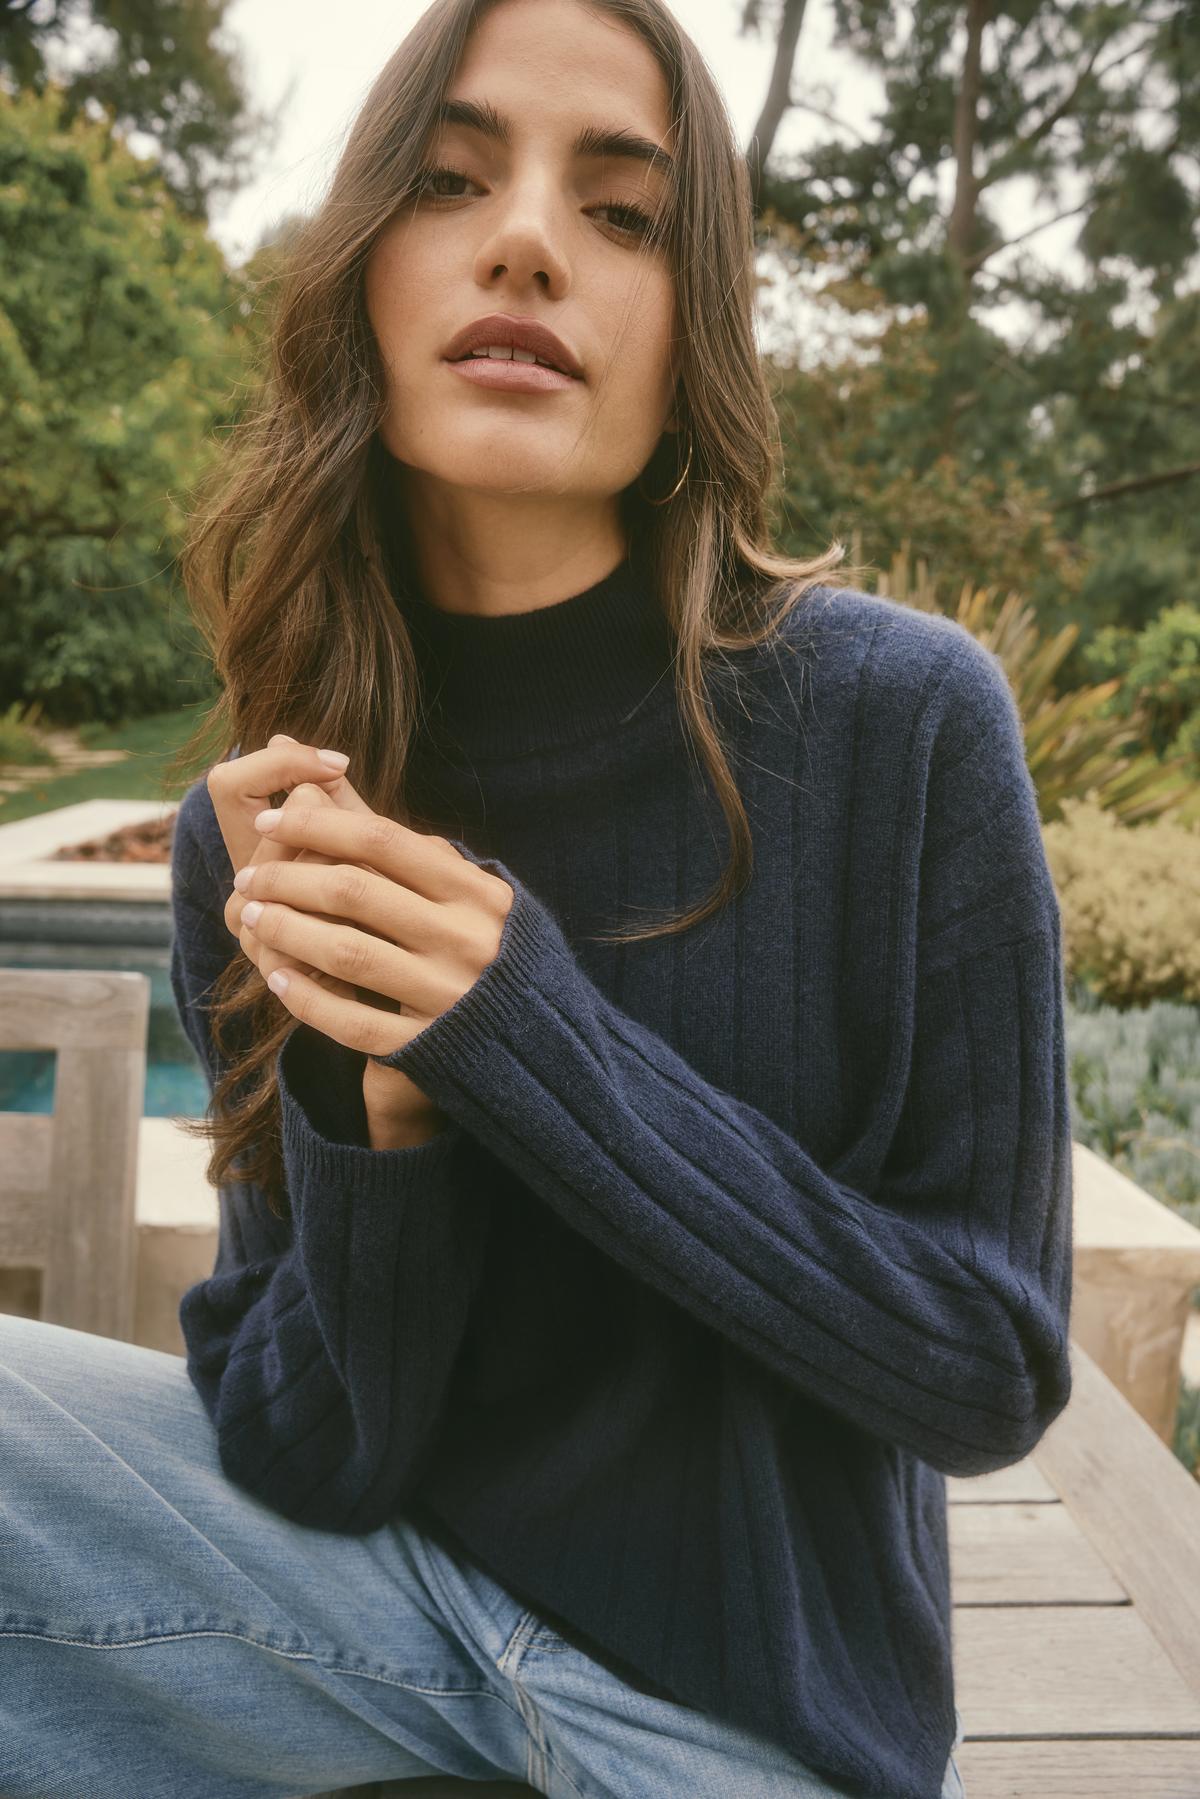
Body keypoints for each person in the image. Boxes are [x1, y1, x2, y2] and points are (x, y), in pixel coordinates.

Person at [0, 0, 1073, 1794]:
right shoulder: (266, 833)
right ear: (363, 275)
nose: (525, 240)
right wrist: (381, 1123)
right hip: (358, 1629)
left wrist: (529, 1039)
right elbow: (302, 1445)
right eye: (450, 177)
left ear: (692, 326)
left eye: (624, 211)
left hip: (744, 1733)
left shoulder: (899, 724)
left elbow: (985, 1366)